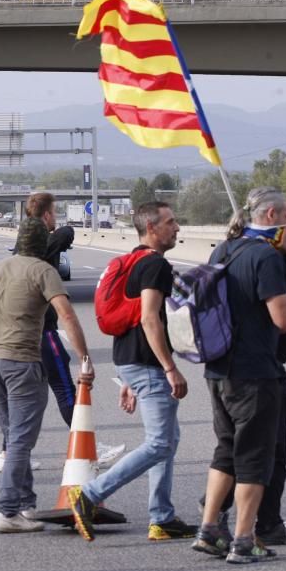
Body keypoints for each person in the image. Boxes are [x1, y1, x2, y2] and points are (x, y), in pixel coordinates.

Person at [192, 187, 286, 565]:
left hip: (218, 369)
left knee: (226, 451)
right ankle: (244, 540)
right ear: (272, 215)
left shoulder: (224, 249)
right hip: (254, 373)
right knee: (255, 458)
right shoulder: (264, 257)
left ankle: (210, 529)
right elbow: (282, 317)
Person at [0, 217, 95, 534]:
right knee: (20, 440)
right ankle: (6, 511)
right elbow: (67, 315)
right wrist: (85, 358)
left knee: (14, 434)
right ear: (44, 244)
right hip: (22, 361)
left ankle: (25, 505)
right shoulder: (44, 271)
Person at [67, 202, 197, 542]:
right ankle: (89, 495)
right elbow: (149, 318)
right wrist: (170, 368)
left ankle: (163, 517)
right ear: (151, 228)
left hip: (130, 360)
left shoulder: (133, 262)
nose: (178, 228)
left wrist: (128, 379)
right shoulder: (154, 264)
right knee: (158, 443)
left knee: (169, 439)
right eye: (171, 222)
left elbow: (131, 319)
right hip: (147, 364)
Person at [0, 195, 124, 474]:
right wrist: (85, 356)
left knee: (20, 398)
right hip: (45, 332)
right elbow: (67, 234)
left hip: (17, 337)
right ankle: (88, 447)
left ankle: (9, 451)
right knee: (64, 388)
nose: (58, 219)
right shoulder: (39, 253)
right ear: (45, 217)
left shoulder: (16, 255)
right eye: (54, 213)